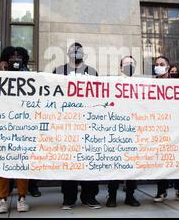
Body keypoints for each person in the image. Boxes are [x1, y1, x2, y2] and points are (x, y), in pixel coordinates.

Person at [53, 42, 101, 209]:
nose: (76, 53)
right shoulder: (58, 71)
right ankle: (68, 198)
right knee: (69, 163)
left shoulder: (92, 72)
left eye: (79, 51)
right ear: (68, 54)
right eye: (73, 51)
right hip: (67, 124)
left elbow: (98, 96)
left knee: (88, 162)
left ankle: (89, 197)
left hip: (87, 123)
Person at [151, 56, 179, 203]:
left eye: (161, 64)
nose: (158, 66)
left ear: (168, 67)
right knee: (161, 160)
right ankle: (161, 191)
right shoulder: (150, 84)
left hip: (176, 129)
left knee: (178, 159)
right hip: (159, 128)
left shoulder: (178, 83)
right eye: (156, 64)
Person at [0, 46, 31, 214]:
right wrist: (2, 72)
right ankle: (2, 198)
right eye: (12, 56)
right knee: (3, 163)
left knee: (22, 164)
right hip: (3, 126)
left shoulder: (29, 75)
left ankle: (22, 197)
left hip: (23, 126)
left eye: (19, 56)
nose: (15, 59)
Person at [106, 56, 140, 207]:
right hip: (116, 130)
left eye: (132, 64)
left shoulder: (141, 84)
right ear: (120, 67)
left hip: (133, 130)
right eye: (126, 63)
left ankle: (130, 196)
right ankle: (111, 196)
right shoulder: (113, 83)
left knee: (132, 166)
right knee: (115, 165)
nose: (129, 66)